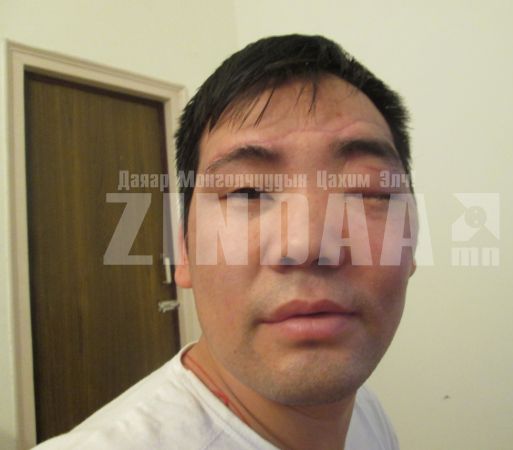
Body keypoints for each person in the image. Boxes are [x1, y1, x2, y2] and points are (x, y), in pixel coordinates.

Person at [35, 34, 418, 450]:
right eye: (246, 192)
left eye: (367, 190)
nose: (307, 245)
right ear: (183, 250)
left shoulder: (367, 414)